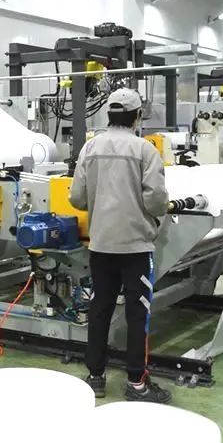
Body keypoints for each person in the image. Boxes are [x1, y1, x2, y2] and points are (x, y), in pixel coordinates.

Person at [69, 88, 171, 402]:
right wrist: (158, 215)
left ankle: (95, 377)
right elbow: (156, 200)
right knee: (138, 314)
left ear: (109, 115)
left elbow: (76, 198)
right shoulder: (145, 150)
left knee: (100, 309)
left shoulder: (90, 148)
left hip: (101, 245)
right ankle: (137, 383)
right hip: (135, 247)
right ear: (136, 116)